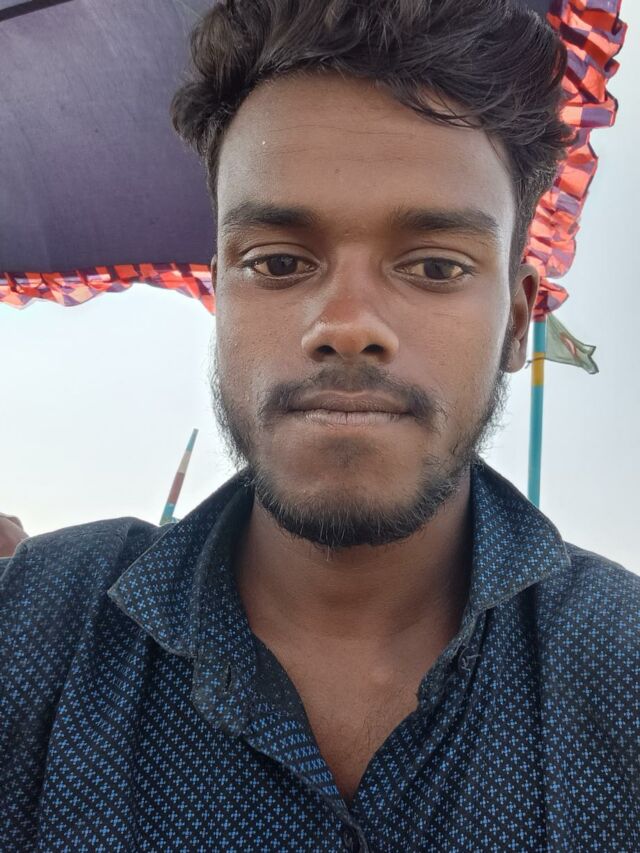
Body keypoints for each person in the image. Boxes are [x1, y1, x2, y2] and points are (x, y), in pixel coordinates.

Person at [2, 0, 638, 849]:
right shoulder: (36, 626)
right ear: (221, 295)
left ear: (519, 320)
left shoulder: (624, 666)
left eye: (436, 266)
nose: (346, 324)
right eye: (277, 262)